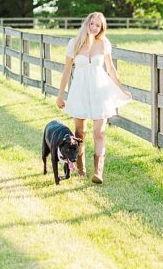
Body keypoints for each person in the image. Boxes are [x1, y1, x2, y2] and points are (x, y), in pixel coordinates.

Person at [54, 12, 131, 184]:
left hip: (99, 93)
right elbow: (66, 70)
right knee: (80, 132)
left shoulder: (103, 43)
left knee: (99, 132)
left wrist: (122, 89)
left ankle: (98, 172)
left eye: (99, 25)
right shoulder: (74, 43)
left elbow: (110, 69)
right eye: (93, 24)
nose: (95, 28)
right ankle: (80, 167)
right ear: (86, 23)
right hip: (79, 92)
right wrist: (60, 95)